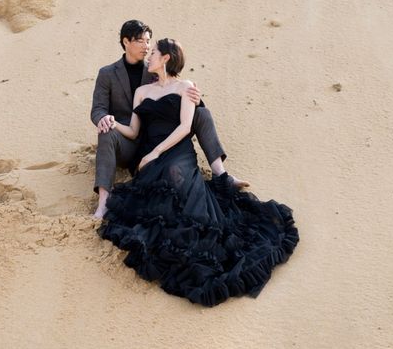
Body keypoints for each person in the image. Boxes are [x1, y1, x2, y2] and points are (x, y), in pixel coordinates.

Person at [98, 39, 299, 308]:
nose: (149, 56)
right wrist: (112, 122)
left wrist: (156, 153)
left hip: (176, 149)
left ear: (166, 58)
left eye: (154, 52)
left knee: (174, 173)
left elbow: (184, 127)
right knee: (156, 187)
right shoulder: (142, 91)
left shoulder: (186, 87)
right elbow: (133, 131)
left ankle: (212, 190)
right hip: (148, 150)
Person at [91, 20, 248, 218]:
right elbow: (98, 109)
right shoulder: (107, 73)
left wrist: (196, 99)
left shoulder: (153, 67)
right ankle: (104, 201)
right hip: (130, 140)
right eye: (140, 41)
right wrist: (105, 118)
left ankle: (221, 174)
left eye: (149, 42)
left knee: (202, 113)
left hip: (161, 134)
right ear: (126, 42)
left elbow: (174, 90)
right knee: (106, 131)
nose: (147, 47)